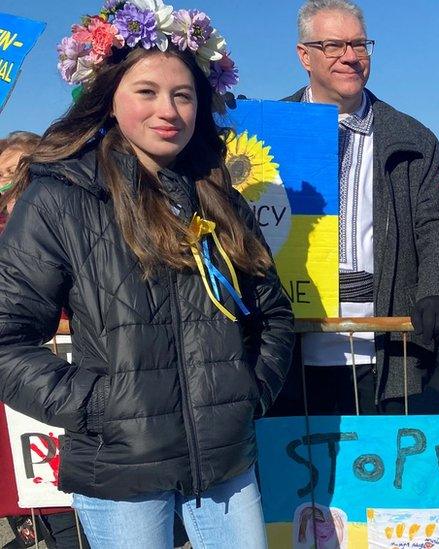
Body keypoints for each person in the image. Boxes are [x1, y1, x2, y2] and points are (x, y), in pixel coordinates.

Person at [0, 2, 295, 547]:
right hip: (121, 470)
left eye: (183, 95)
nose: (169, 110)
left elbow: (272, 312)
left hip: (225, 465)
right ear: (109, 97)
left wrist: (247, 392)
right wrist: (96, 406)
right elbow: (7, 337)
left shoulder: (219, 196)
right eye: (147, 92)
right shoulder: (60, 197)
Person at [279, 0, 439, 415]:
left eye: (360, 45)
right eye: (334, 45)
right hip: (292, 347)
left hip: (384, 343)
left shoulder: (412, 138)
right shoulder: (271, 131)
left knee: (380, 477)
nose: (350, 56)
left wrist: (436, 290)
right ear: (303, 55)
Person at [0, 133, 91, 549]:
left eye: (22, 174)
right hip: (26, 404)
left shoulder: (74, 221)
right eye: (4, 177)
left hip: (81, 388)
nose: (13, 186)